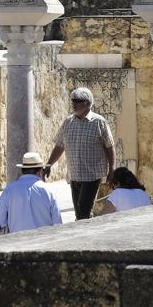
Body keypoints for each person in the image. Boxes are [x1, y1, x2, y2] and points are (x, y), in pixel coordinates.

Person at [45, 87, 116, 220]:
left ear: (88, 103)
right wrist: (49, 164)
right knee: (79, 213)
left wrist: (112, 170)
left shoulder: (99, 122)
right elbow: (60, 145)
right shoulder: (68, 122)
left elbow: (110, 147)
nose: (73, 104)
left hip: (92, 175)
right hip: (74, 174)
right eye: (72, 101)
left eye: (77, 101)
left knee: (83, 210)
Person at [0, 152, 63, 235]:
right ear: (40, 171)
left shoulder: (9, 190)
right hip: (43, 242)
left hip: (16, 242)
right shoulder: (48, 191)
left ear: (23, 170)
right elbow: (58, 223)